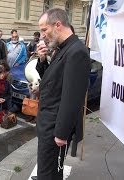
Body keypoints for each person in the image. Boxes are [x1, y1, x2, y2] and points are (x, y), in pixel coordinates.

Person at [33, 8, 90, 180]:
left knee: (48, 173)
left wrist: (61, 133)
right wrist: (43, 60)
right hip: (48, 124)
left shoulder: (76, 51)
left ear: (57, 25)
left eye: (44, 30)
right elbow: (52, 83)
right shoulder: (63, 48)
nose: (42, 35)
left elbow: (72, 98)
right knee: (49, 170)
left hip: (55, 129)